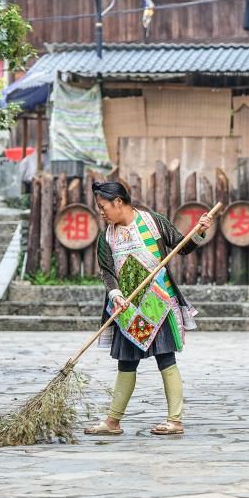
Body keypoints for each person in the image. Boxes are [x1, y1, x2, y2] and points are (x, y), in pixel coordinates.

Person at [84, 180, 212, 436]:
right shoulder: (107, 236)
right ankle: (113, 422)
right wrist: (116, 295)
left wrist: (198, 231)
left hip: (158, 303)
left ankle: (174, 420)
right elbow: (107, 273)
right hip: (127, 309)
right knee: (126, 363)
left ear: (118, 202)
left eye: (102, 206)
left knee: (166, 358)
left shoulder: (153, 222)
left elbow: (182, 245)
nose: (101, 212)